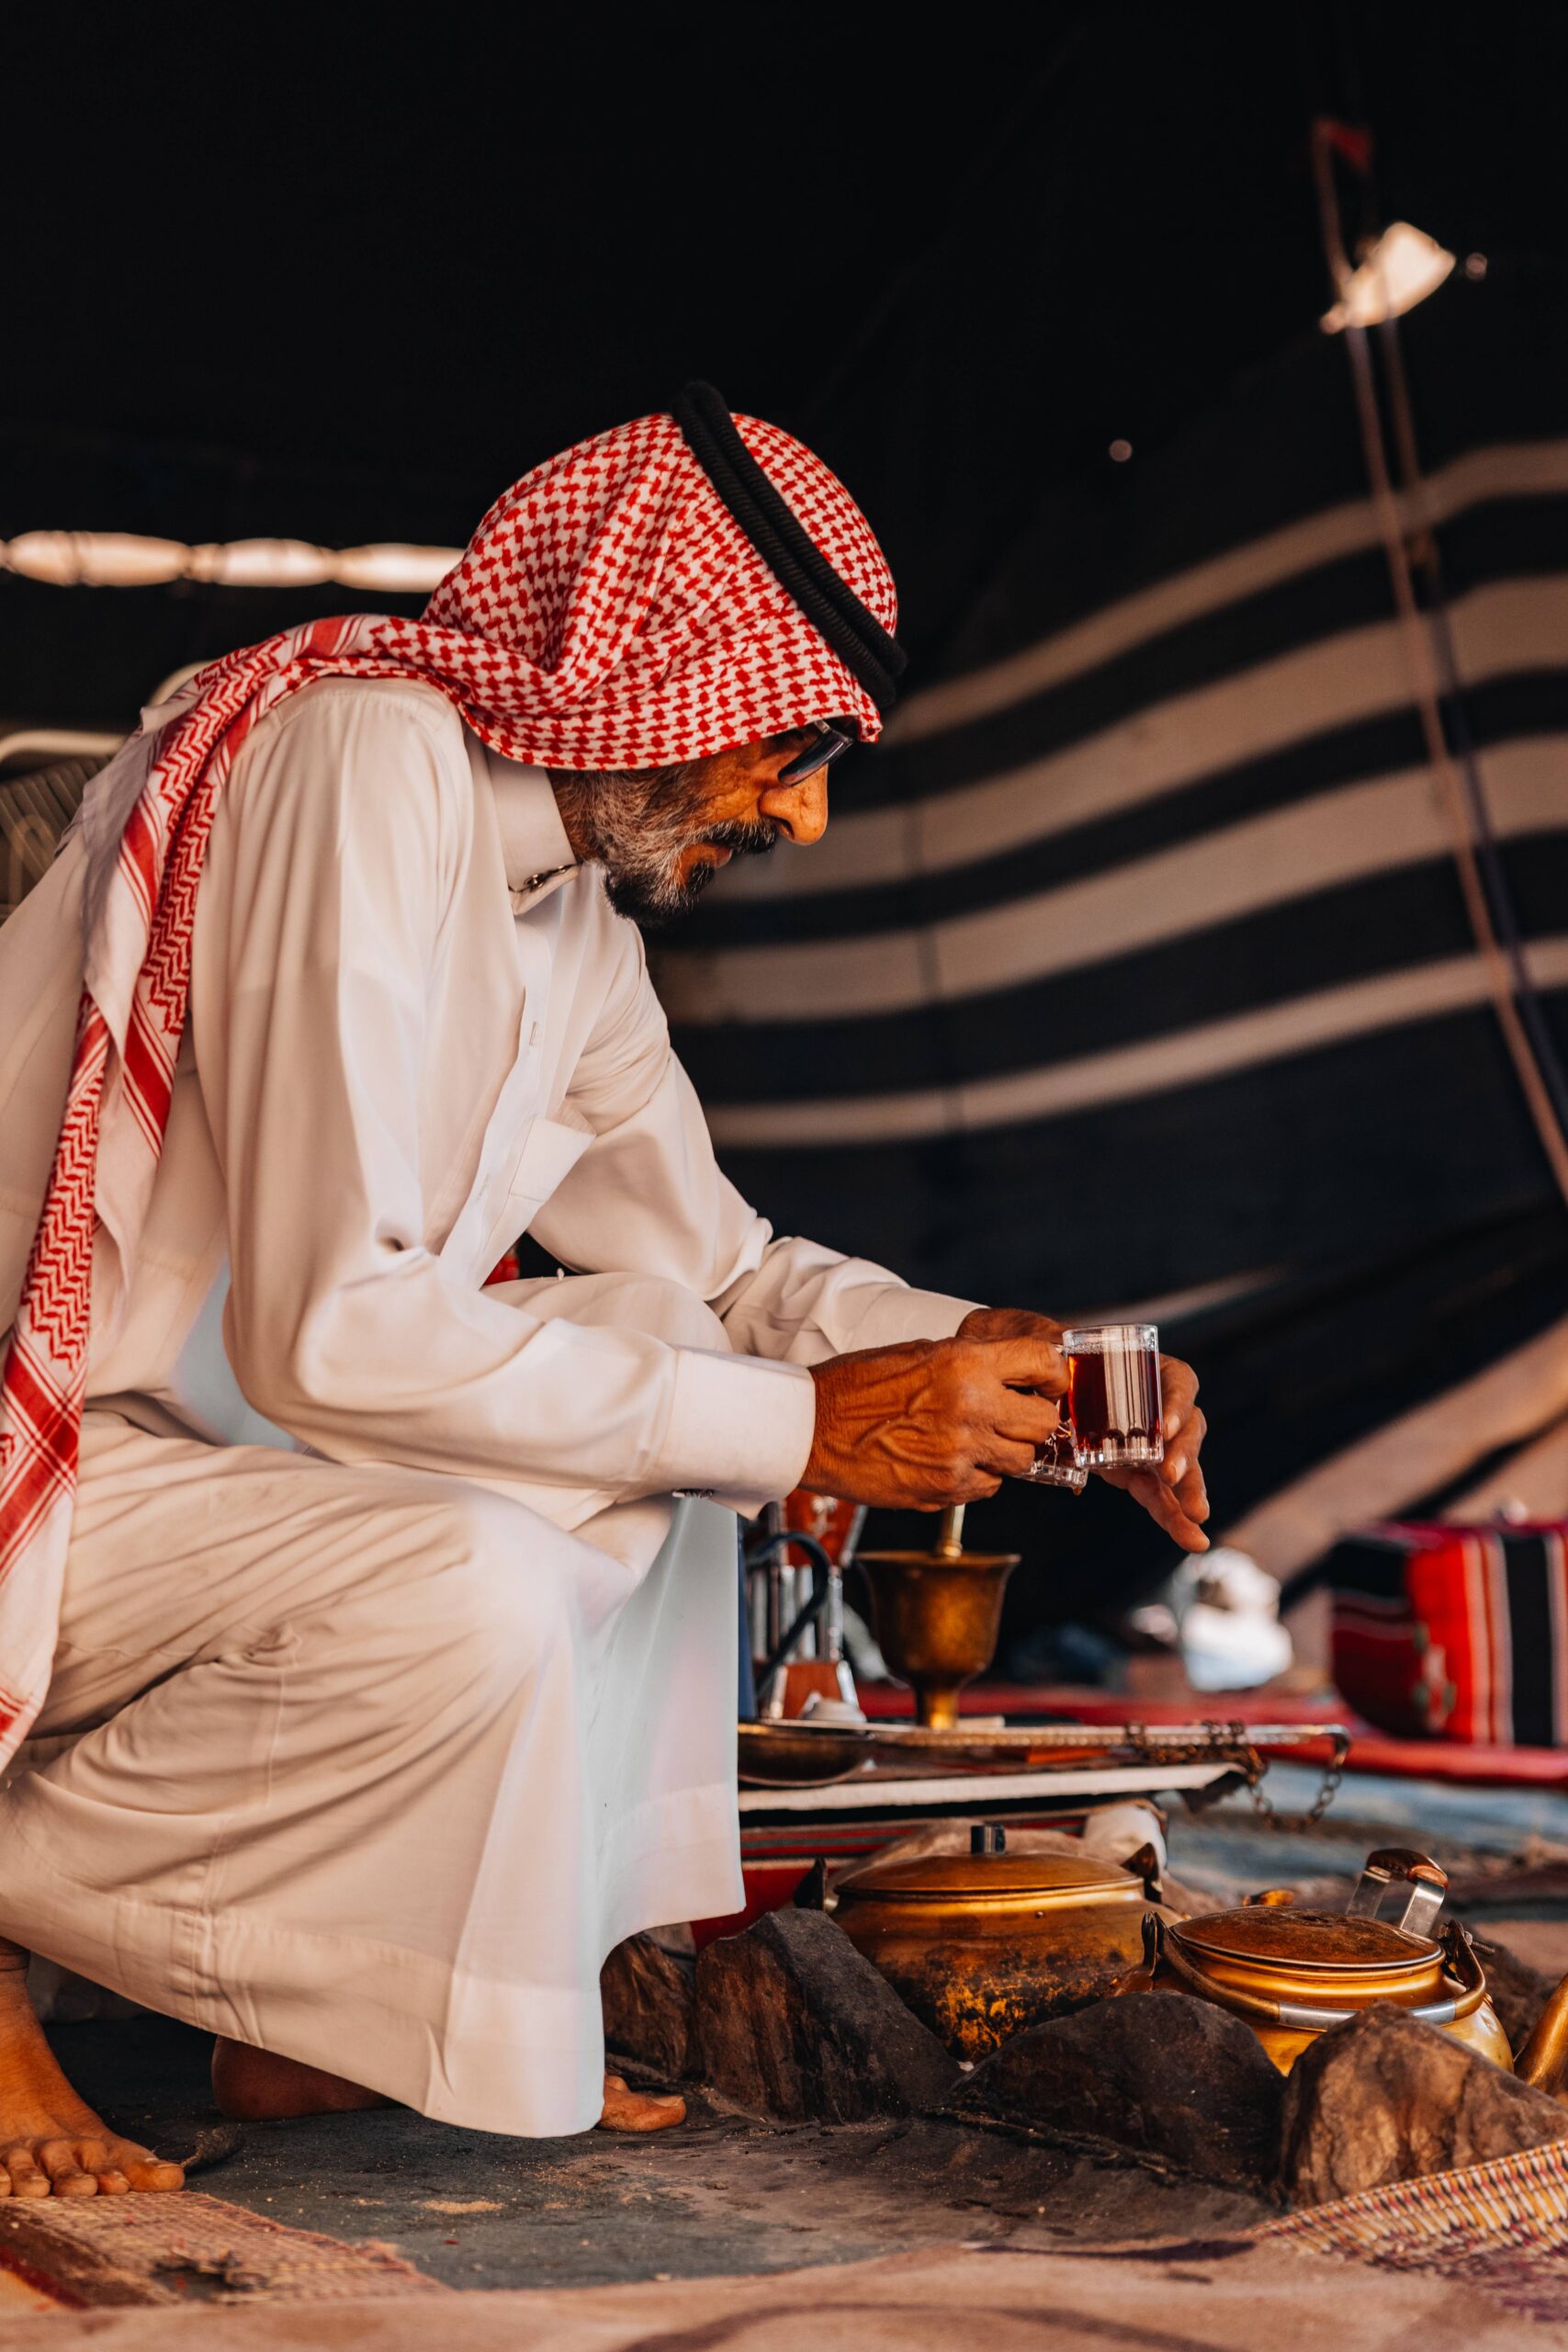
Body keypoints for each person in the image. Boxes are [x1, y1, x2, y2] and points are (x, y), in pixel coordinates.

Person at [0, 388, 1209, 2198]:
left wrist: (992, 1368)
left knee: (659, 1349)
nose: (798, 810)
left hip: (168, 1485)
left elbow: (722, 1269)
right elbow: (327, 1331)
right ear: (647, 664)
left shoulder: (569, 925)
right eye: (788, 747)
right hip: (45, 1475)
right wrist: (803, 1423)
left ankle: (307, 2005)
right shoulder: (367, 758)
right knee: (512, 1549)